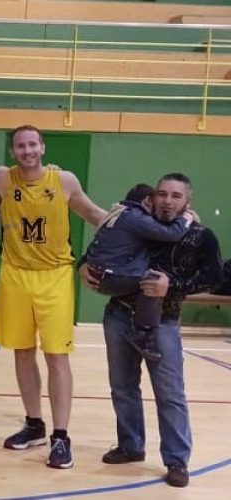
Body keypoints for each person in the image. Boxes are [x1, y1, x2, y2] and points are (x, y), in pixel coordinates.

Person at [0, 124, 107, 468]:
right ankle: (34, 424)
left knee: (56, 356)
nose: (27, 151)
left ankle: (61, 436)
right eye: (20, 146)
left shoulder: (63, 181)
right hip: (14, 275)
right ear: (13, 152)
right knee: (23, 354)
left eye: (32, 145)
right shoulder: (0, 178)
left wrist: (137, 220)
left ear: (42, 147)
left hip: (54, 277)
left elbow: (95, 214)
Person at [83, 173, 222, 488]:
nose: (167, 200)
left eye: (176, 195)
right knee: (122, 388)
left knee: (170, 395)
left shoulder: (200, 236)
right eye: (162, 194)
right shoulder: (137, 222)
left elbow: (213, 278)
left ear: (188, 201)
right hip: (118, 315)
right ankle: (131, 446)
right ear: (152, 197)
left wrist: (172, 285)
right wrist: (81, 265)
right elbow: (101, 246)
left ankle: (176, 460)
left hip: (163, 322)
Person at [82, 183, 192, 362]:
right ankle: (144, 334)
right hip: (114, 277)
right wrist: (186, 218)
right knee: (153, 280)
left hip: (99, 274)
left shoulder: (118, 212)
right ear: (148, 201)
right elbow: (172, 233)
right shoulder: (136, 217)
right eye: (157, 199)